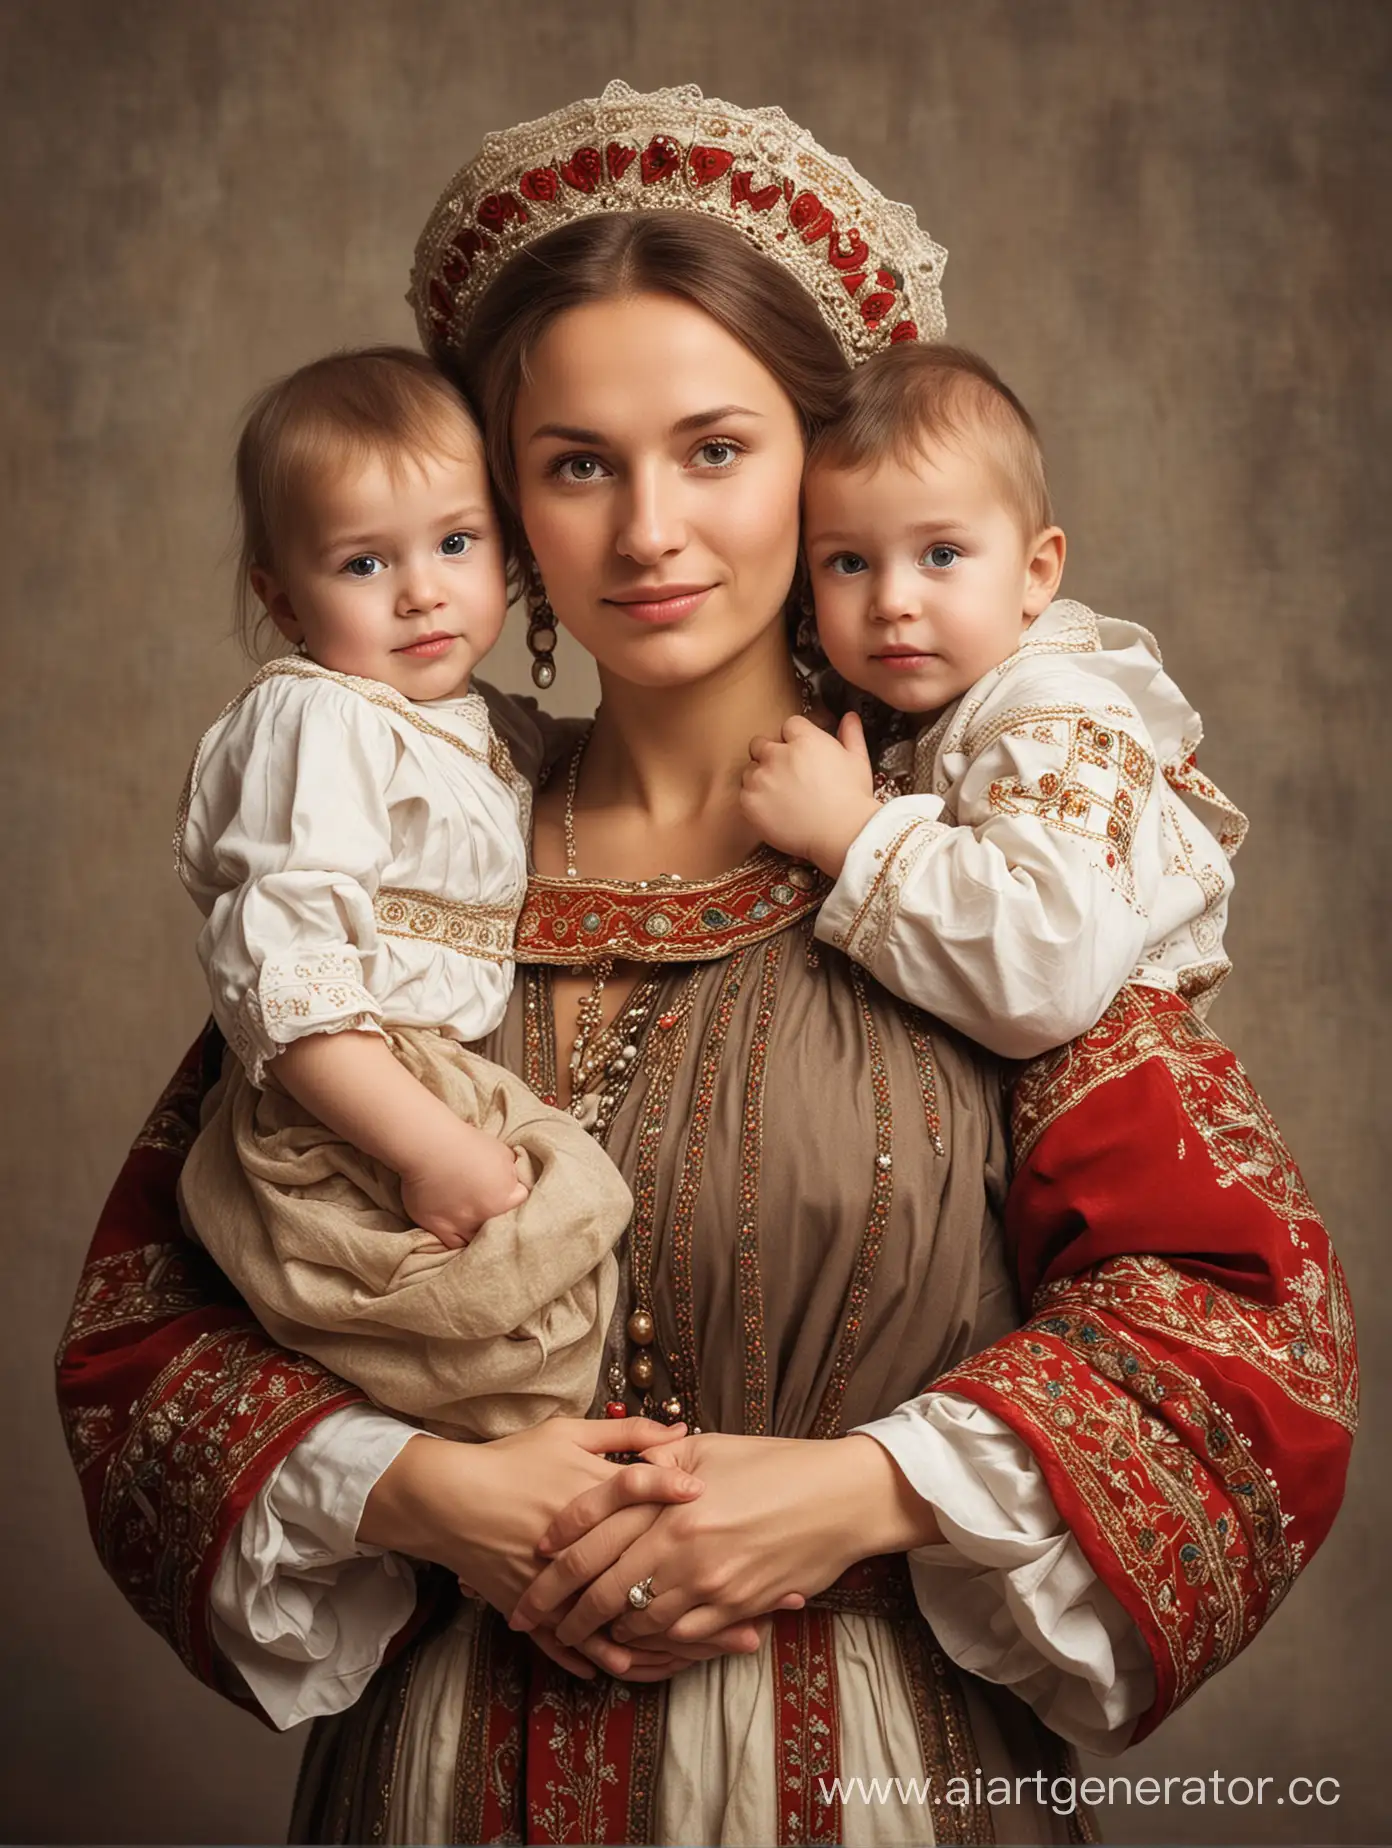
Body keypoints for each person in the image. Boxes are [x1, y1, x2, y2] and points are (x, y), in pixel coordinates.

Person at [57, 82, 1356, 1846]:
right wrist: (433, 1493)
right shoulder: (391, 864)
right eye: (577, 464)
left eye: (716, 448)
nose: (649, 530)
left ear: (820, 461)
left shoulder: (980, 871)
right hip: (445, 1784)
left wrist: (852, 1493)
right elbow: (149, 1344)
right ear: (507, 509)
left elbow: (1237, 1335)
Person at [175, 345, 632, 1439]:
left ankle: (560, 1484)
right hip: (356, 1086)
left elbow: (552, 764)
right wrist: (425, 1145)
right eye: (363, 565)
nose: (423, 590)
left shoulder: (468, 719)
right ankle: (520, 1500)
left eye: (455, 543)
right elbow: (291, 978)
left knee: (539, 1303)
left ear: (505, 554)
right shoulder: (317, 721)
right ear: (282, 600)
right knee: (512, 1294)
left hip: (429, 1072)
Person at [740, 340, 1247, 1061]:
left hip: (1121, 1115)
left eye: (941, 555)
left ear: (1036, 572)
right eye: (847, 562)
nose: (891, 602)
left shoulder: (1066, 717)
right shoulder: (897, 707)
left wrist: (848, 831)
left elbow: (1048, 976)